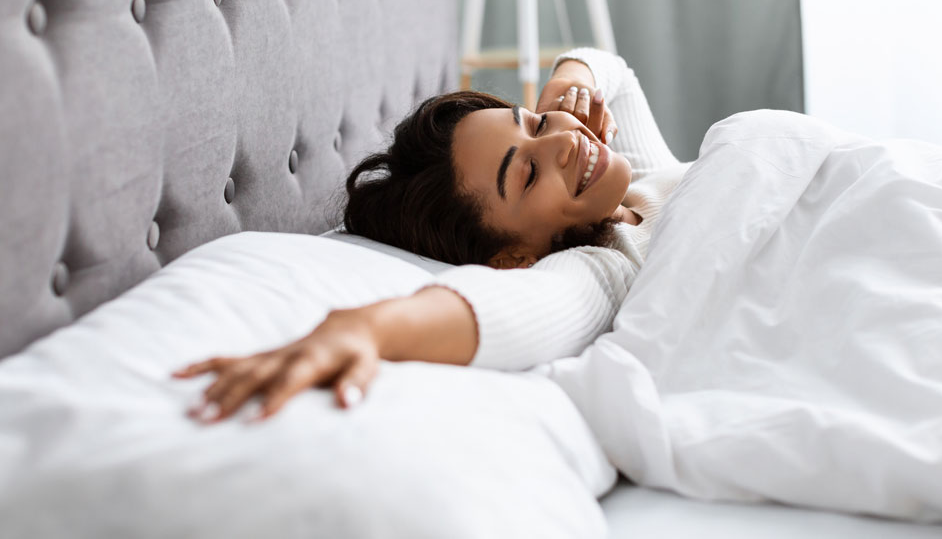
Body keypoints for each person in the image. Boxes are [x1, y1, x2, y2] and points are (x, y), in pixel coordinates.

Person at [174, 48, 691, 422]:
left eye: (533, 123)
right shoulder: (608, 269)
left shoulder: (641, 180)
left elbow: (613, 71)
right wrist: (366, 328)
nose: (563, 139)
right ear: (514, 257)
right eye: (528, 174)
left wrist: (566, 83)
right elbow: (514, 309)